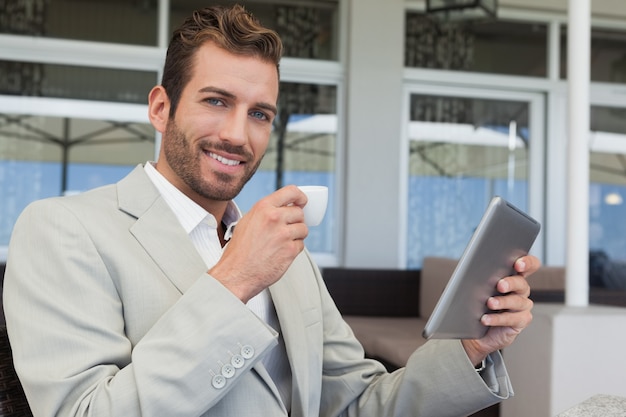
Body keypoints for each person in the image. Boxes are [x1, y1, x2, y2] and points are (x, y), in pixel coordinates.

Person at [3, 5, 539, 417]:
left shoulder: (286, 254)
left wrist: (468, 346)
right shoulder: (62, 230)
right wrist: (234, 279)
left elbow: (358, 403)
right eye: (216, 101)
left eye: (259, 113)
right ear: (161, 108)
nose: (238, 134)